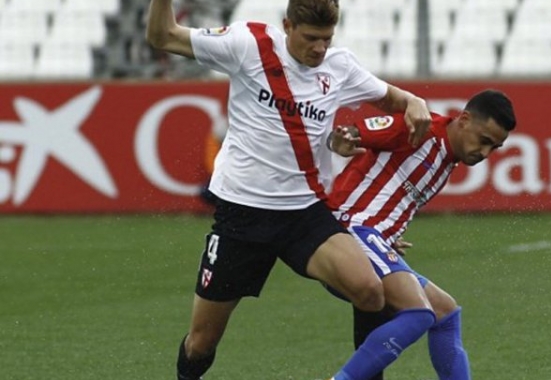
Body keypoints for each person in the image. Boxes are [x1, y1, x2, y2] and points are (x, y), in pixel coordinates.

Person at [144, 1, 433, 379]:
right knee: (201, 342)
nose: (319, 48)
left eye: (326, 39)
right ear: (287, 26)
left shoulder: (339, 66)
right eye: (311, 38)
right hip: (242, 216)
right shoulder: (248, 44)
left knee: (369, 291)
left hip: (304, 214)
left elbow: (391, 98)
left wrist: (414, 102)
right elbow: (162, 36)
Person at [325, 89, 517, 380]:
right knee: (419, 313)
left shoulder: (447, 158)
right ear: (464, 120)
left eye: (495, 148)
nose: (485, 153)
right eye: (484, 141)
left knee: (445, 313)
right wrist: (343, 139)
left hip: (373, 236)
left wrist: (388, 233)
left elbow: (390, 194)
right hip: (350, 229)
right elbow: (353, 134)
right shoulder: (420, 128)